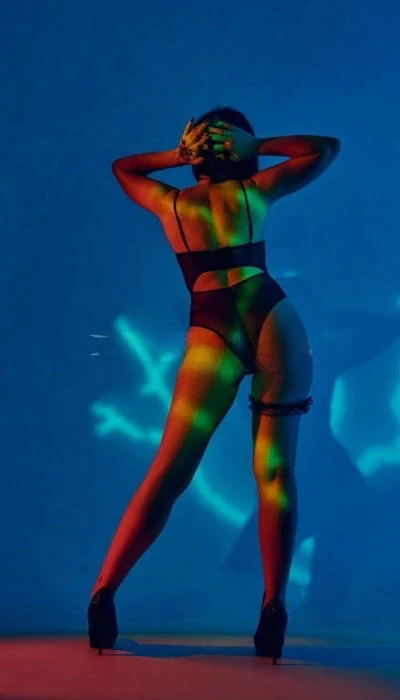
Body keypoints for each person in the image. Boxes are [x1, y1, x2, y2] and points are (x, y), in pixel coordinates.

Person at [87, 106, 340, 661]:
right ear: (237, 152)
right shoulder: (256, 191)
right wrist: (255, 144)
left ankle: (104, 592)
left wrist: (178, 153)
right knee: (275, 472)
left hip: (212, 326)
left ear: (197, 156)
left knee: (169, 471)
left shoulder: (174, 203)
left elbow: (123, 168)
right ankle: (273, 607)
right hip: (272, 316)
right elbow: (325, 148)